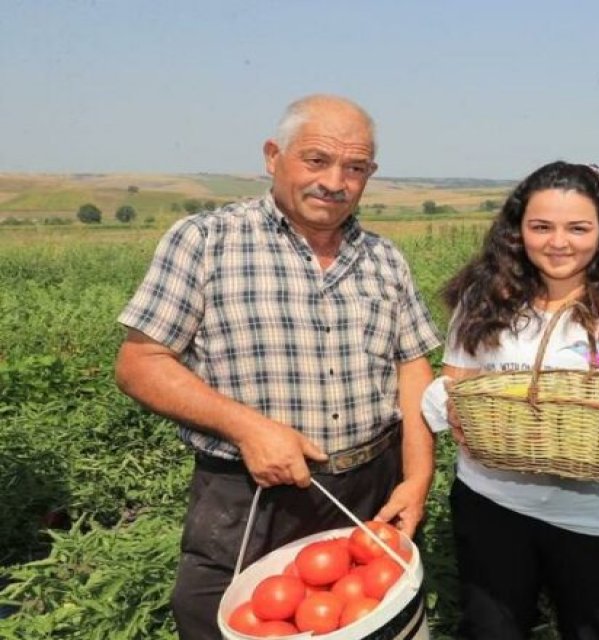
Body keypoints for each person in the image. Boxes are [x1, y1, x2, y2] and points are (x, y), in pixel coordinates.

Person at [114, 95, 440, 639]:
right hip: (249, 494)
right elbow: (139, 363)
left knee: (375, 622)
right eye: (316, 160)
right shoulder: (206, 240)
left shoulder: (384, 258)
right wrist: (249, 428)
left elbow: (412, 367)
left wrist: (418, 477)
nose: (335, 181)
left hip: (369, 489)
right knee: (225, 618)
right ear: (273, 156)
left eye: (354, 168)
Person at [421, 161, 599, 639]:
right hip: (493, 498)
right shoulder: (484, 297)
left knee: (594, 630)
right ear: (518, 230)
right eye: (541, 227)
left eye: (578, 228)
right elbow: (456, 382)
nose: (559, 242)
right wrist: (456, 409)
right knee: (491, 629)